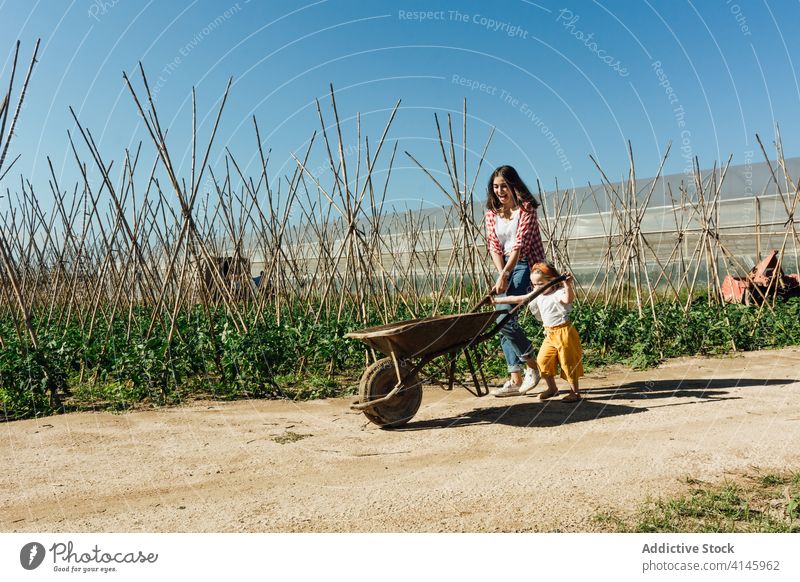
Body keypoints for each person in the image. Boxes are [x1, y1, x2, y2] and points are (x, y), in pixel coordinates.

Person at [484, 165, 546, 397]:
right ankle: (515, 378)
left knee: (504, 315)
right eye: (496, 187)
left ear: (513, 185)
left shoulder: (526, 209)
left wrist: (506, 274)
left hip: (526, 265)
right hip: (505, 267)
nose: (500, 191)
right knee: (501, 317)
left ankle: (532, 366)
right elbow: (494, 245)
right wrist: (501, 273)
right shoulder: (492, 213)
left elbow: (519, 246)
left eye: (504, 186)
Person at [492, 262, 583, 403]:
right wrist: (496, 300)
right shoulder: (537, 294)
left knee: (567, 363)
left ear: (551, 281)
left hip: (564, 332)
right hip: (550, 334)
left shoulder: (558, 293)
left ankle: (575, 392)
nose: (536, 287)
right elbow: (518, 299)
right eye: (534, 284)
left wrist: (567, 284)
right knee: (542, 361)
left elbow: (568, 299)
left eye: (540, 284)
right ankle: (552, 388)